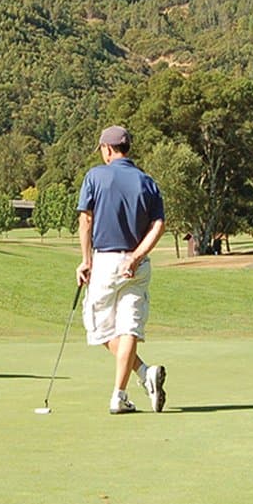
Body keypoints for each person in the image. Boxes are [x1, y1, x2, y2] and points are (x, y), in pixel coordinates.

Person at [76, 125, 168, 414]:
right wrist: (138, 256)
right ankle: (126, 389)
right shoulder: (147, 181)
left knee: (100, 330)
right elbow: (158, 225)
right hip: (137, 266)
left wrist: (85, 260)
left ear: (107, 149)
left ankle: (139, 376)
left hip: (104, 262)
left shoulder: (95, 176)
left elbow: (85, 221)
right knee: (128, 327)